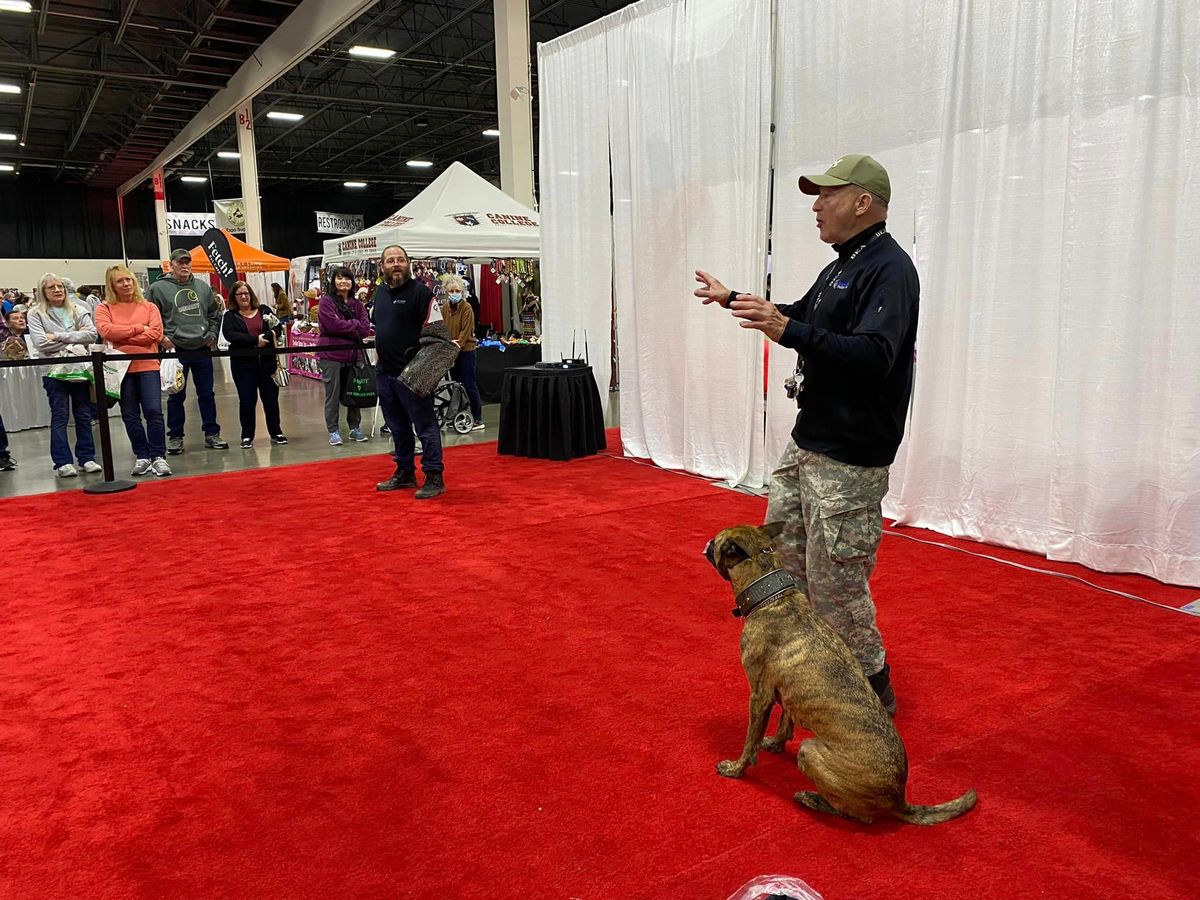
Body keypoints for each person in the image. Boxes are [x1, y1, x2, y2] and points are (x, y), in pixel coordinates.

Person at [694, 154, 919, 716]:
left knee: (837, 587)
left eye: (826, 195)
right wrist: (738, 301)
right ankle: (808, 674)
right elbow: (806, 319)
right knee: (785, 569)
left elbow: (874, 354)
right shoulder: (845, 264)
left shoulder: (889, 268)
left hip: (849, 455)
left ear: (862, 201)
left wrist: (788, 329)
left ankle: (871, 694)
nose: (815, 206)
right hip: (811, 441)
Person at [372, 244, 445, 499]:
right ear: (382, 266)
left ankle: (434, 475)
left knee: (425, 426)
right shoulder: (379, 294)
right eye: (390, 260)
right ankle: (405, 472)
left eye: (400, 260)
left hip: (414, 374)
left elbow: (438, 337)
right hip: (385, 374)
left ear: (409, 263)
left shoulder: (421, 294)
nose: (396, 264)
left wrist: (423, 371)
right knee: (397, 427)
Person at [146, 248, 229, 454]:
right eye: (180, 262)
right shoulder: (157, 289)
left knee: (207, 394)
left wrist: (211, 334)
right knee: (176, 395)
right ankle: (175, 437)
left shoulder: (202, 287)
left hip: (201, 348)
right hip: (175, 350)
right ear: (171, 265)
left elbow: (213, 313)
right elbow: (149, 317)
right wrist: (162, 338)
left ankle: (212, 433)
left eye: (187, 262)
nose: (184, 266)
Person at [95, 264, 171, 477]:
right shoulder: (104, 308)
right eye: (120, 281)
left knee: (154, 411)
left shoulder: (149, 307)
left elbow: (156, 334)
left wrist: (123, 336)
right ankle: (142, 456)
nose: (126, 284)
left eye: (128, 279)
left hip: (148, 366)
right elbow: (106, 331)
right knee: (130, 415)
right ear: (112, 285)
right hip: (120, 369)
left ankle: (158, 456)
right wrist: (139, 328)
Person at [26, 272, 101, 477]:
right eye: (51, 287)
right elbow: (40, 343)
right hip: (54, 372)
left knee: (84, 414)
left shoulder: (79, 309)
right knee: (60, 415)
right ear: (43, 292)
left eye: (59, 286)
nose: (57, 290)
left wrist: (58, 336)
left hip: (80, 370)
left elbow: (92, 335)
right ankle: (62, 462)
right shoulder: (35, 314)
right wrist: (75, 340)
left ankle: (87, 457)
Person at [221, 281, 287, 449]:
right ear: (234, 297)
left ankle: (276, 432)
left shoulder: (264, 310)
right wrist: (254, 341)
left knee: (271, 400)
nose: (244, 296)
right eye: (240, 294)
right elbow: (230, 335)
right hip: (243, 366)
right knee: (247, 400)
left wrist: (267, 335)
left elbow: (278, 326)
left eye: (246, 293)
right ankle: (247, 435)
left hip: (267, 364)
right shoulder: (230, 316)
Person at [316, 266, 371, 446]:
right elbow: (332, 325)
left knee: (355, 391)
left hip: (354, 355)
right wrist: (354, 324)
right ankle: (333, 430)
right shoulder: (326, 302)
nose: (343, 282)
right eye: (339, 278)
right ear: (333, 281)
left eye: (347, 278)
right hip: (331, 355)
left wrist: (350, 325)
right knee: (332, 395)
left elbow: (364, 328)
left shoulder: (358, 304)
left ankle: (355, 428)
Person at [441, 275, 483, 429]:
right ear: (446, 292)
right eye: (451, 290)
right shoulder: (444, 309)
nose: (454, 293)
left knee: (469, 384)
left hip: (466, 351)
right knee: (456, 385)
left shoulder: (467, 307)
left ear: (462, 292)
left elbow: (466, 331)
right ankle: (458, 415)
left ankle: (478, 418)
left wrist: (457, 344)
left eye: (457, 290)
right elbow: (443, 329)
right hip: (452, 351)